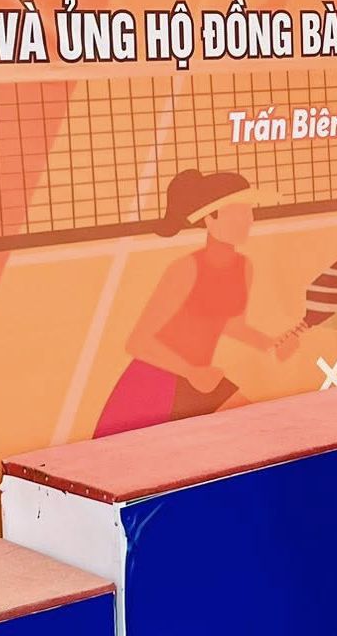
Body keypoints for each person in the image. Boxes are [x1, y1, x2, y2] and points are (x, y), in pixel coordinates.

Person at [92, 169, 298, 437]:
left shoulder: (244, 267)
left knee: (258, 433)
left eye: (248, 211)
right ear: (210, 219)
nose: (248, 219)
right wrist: (190, 371)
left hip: (200, 379)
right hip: (158, 381)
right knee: (256, 431)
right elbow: (138, 342)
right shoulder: (185, 269)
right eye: (237, 212)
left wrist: (271, 344)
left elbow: (232, 326)